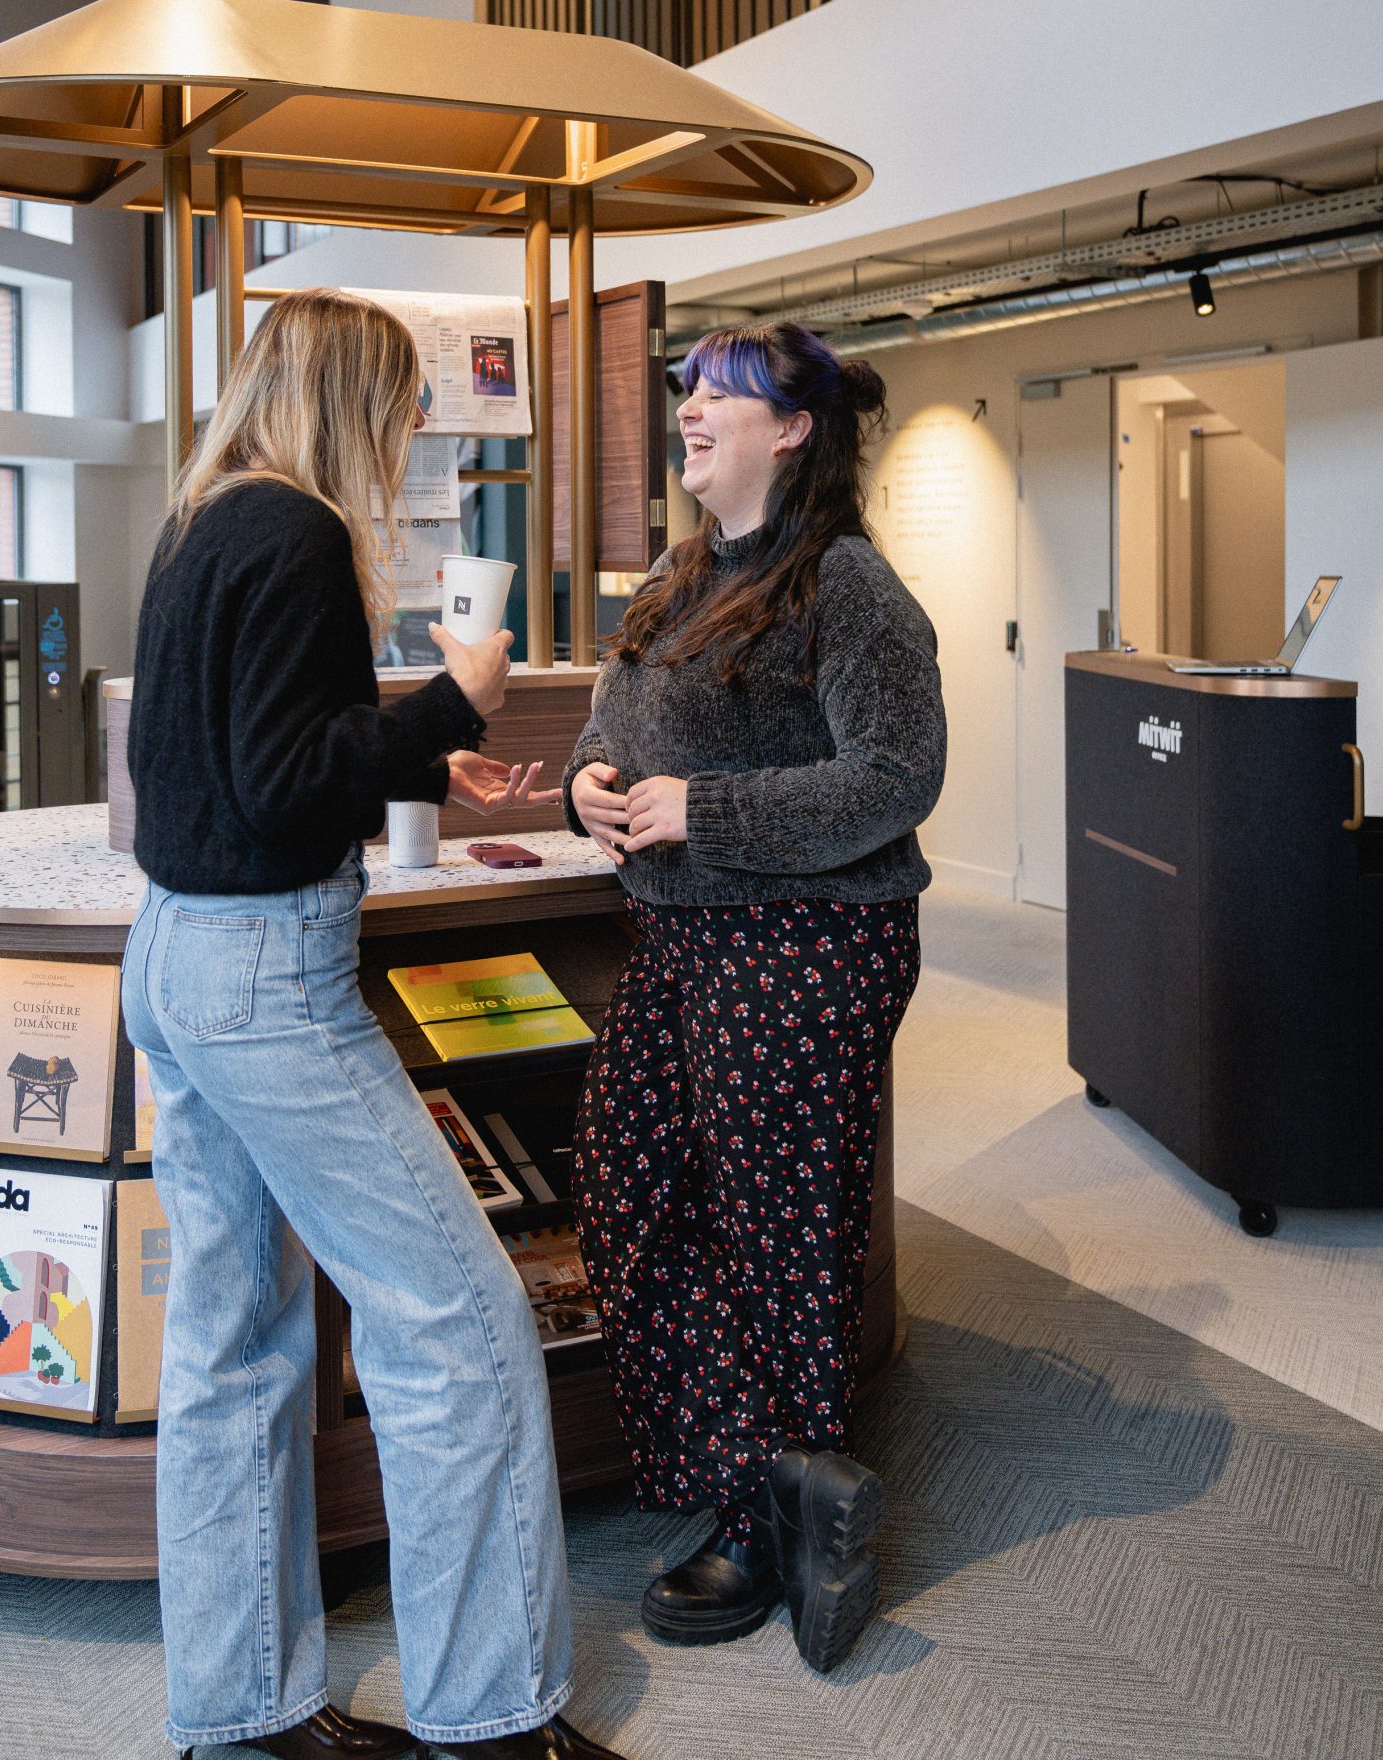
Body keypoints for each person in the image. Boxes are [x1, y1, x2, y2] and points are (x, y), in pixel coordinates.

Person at [123, 289, 627, 1760]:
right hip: (269, 977)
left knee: (231, 1342)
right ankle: (494, 1721)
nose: (413, 437)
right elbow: (288, 789)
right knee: (462, 1322)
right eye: (405, 407)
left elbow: (233, 765)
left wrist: (399, 755)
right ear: (354, 398)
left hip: (180, 957)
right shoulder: (294, 533)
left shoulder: (207, 516)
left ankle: (243, 1715)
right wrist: (458, 705)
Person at [564, 321, 945, 1678]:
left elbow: (899, 776)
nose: (689, 409)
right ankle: (781, 1470)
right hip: (683, 941)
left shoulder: (845, 585)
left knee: (779, 1233)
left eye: (719, 392)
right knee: (623, 1185)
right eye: (687, 392)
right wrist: (588, 791)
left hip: (806, 944)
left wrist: (702, 810)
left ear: (793, 429)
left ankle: (763, 1522)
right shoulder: (677, 578)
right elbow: (606, 732)